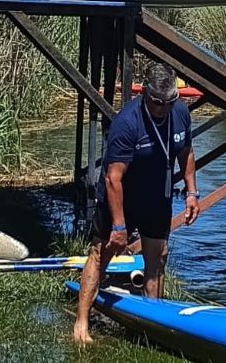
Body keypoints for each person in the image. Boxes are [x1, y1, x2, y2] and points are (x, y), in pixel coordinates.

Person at [73, 63, 200, 345]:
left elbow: (186, 152)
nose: (164, 108)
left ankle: (149, 327)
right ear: (145, 94)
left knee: (157, 258)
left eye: (170, 102)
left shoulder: (178, 112)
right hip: (121, 198)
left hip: (157, 196)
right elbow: (112, 179)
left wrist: (192, 192)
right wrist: (119, 226)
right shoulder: (127, 124)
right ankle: (81, 323)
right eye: (158, 103)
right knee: (100, 253)